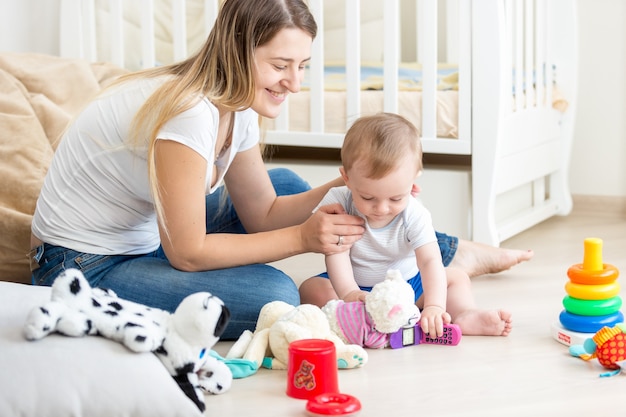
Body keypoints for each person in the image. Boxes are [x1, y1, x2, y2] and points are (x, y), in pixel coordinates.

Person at [29, 0, 528, 341]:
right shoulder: (189, 111)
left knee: (293, 188)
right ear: (238, 52)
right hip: (81, 267)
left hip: (143, 237)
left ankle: (446, 251)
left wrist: (349, 186)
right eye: (280, 65)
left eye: (303, 65)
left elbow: (264, 211)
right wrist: (304, 240)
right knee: (274, 294)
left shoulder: (237, 105)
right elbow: (187, 253)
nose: (294, 82)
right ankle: (451, 254)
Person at [299, 113, 512, 337]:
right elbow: (335, 253)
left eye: (396, 198)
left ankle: (464, 315)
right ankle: (359, 320)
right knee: (310, 289)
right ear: (347, 178)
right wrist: (349, 292)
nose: (381, 209)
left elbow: (429, 260)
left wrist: (434, 306)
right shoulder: (338, 201)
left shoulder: (414, 212)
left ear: (414, 179)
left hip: (408, 287)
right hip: (355, 287)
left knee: (456, 278)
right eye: (368, 198)